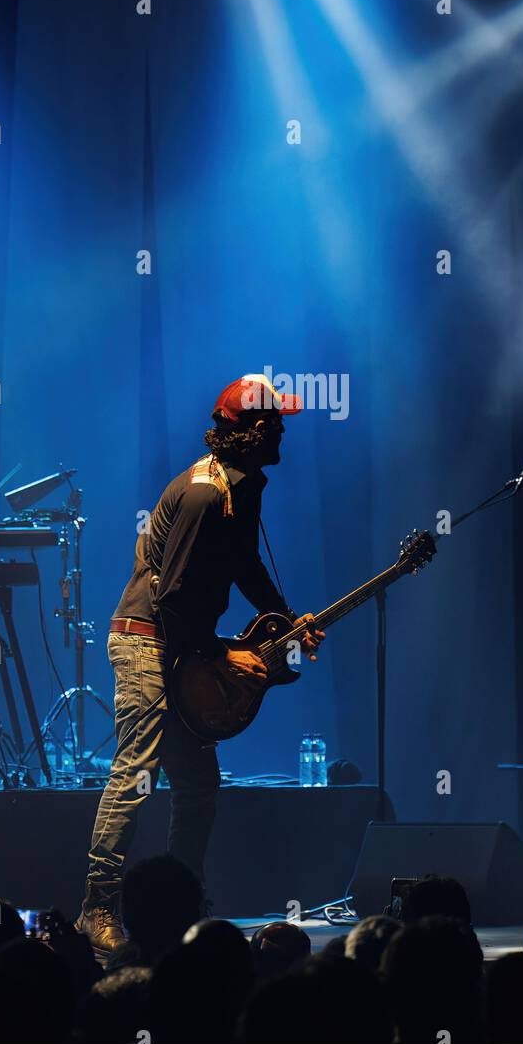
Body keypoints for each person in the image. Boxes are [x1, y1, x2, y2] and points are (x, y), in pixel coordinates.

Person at [76, 375, 323, 953]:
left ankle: (178, 909)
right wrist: (222, 654)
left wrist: (285, 621)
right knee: (136, 772)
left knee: (198, 785)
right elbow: (175, 598)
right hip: (146, 641)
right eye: (277, 421)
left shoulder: (243, 487)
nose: (285, 429)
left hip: (179, 643)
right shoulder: (204, 494)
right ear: (255, 429)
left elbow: (244, 565)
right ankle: (97, 906)